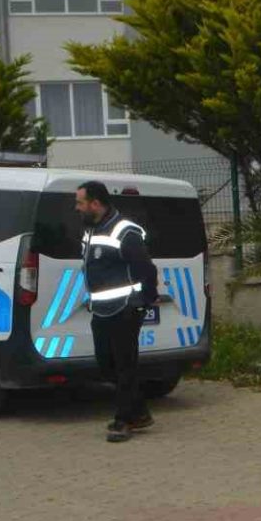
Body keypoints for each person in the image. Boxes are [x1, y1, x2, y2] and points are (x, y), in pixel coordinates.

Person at [75, 181, 159, 444]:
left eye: (80, 203)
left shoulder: (125, 231)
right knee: (106, 364)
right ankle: (140, 412)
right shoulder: (91, 230)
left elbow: (146, 269)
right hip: (101, 309)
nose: (77, 208)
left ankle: (123, 421)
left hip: (125, 308)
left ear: (95, 203)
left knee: (124, 365)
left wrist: (145, 300)